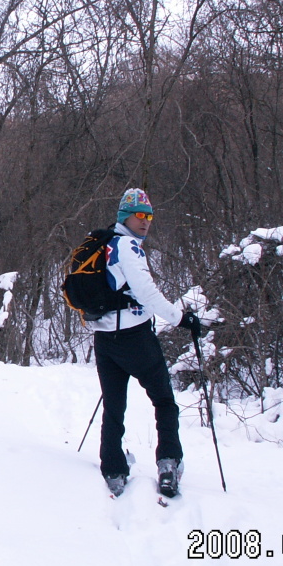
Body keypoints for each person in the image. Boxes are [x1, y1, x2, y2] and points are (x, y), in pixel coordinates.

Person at [85, 188, 201, 498]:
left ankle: (113, 470)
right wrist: (181, 319)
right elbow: (148, 295)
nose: (146, 222)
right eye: (140, 215)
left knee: (114, 406)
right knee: (164, 401)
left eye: (149, 216)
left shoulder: (103, 242)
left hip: (104, 339)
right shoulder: (128, 248)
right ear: (126, 216)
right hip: (135, 338)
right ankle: (168, 464)